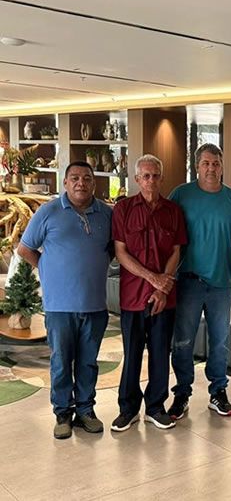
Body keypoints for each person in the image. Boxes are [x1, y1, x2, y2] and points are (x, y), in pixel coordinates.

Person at [18, 161, 113, 439]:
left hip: (95, 304)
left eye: (87, 178)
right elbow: (24, 248)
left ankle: (85, 410)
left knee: (88, 362)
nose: (81, 183)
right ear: (65, 182)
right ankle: (62, 412)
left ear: (94, 182)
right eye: (75, 178)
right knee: (61, 362)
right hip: (59, 306)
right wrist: (48, 269)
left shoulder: (106, 214)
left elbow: (112, 250)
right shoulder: (48, 212)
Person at [168, 144, 231, 419]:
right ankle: (182, 393)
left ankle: (218, 392)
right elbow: (166, 233)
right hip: (188, 281)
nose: (211, 168)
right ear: (197, 166)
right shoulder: (181, 194)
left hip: (221, 283)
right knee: (183, 341)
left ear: (222, 166)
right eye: (206, 163)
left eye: (216, 163)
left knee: (220, 342)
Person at [110, 155, 187, 432]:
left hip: (164, 298)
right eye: (145, 176)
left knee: (160, 354)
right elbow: (120, 252)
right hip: (133, 296)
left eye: (155, 175)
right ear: (136, 179)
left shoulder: (173, 211)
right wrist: (153, 279)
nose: (150, 180)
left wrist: (162, 289)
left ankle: (156, 407)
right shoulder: (123, 209)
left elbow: (176, 251)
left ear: (161, 178)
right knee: (131, 354)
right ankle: (128, 409)